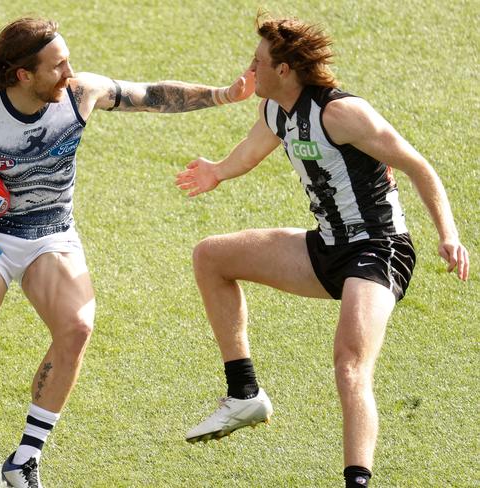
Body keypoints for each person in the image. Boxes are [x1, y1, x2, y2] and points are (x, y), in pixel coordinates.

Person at [0, 17, 254, 488]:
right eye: (58, 66)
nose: (69, 72)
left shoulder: (80, 94)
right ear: (24, 74)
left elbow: (151, 95)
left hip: (53, 235)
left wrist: (225, 94)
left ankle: (24, 458)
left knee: (77, 327)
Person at [175, 12, 469, 488]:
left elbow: (419, 166)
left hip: (378, 250)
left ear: (285, 69)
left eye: (259, 61)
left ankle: (356, 481)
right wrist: (216, 171)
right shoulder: (275, 110)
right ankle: (243, 394)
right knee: (211, 256)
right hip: (327, 247)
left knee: (349, 362)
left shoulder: (341, 113)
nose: (251, 69)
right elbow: (248, 153)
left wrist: (448, 234)